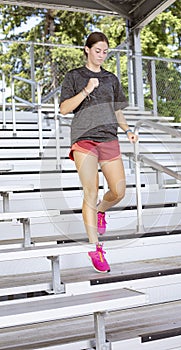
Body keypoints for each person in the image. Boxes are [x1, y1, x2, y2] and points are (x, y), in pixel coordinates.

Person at [60, 31, 138, 273]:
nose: (102, 55)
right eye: (97, 51)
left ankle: (101, 212)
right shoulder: (74, 76)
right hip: (84, 139)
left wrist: (127, 131)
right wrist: (85, 90)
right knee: (90, 192)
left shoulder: (111, 79)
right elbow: (63, 109)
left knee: (119, 191)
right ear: (87, 49)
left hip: (109, 138)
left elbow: (117, 111)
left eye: (105, 52)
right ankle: (96, 248)